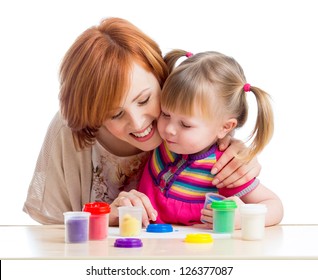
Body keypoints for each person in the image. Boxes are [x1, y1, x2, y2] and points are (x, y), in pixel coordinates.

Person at [23, 18, 262, 227]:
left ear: (161, 76)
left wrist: (240, 154)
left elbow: (214, 118)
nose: (138, 123)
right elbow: (54, 232)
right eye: (115, 114)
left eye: (144, 99)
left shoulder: (181, 110)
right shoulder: (71, 132)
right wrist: (106, 216)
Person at [138, 49, 283, 228]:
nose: (169, 129)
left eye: (185, 125)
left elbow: (275, 206)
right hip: (147, 244)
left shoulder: (224, 167)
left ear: (225, 127)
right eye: (165, 113)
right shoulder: (157, 139)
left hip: (198, 250)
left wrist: (242, 217)